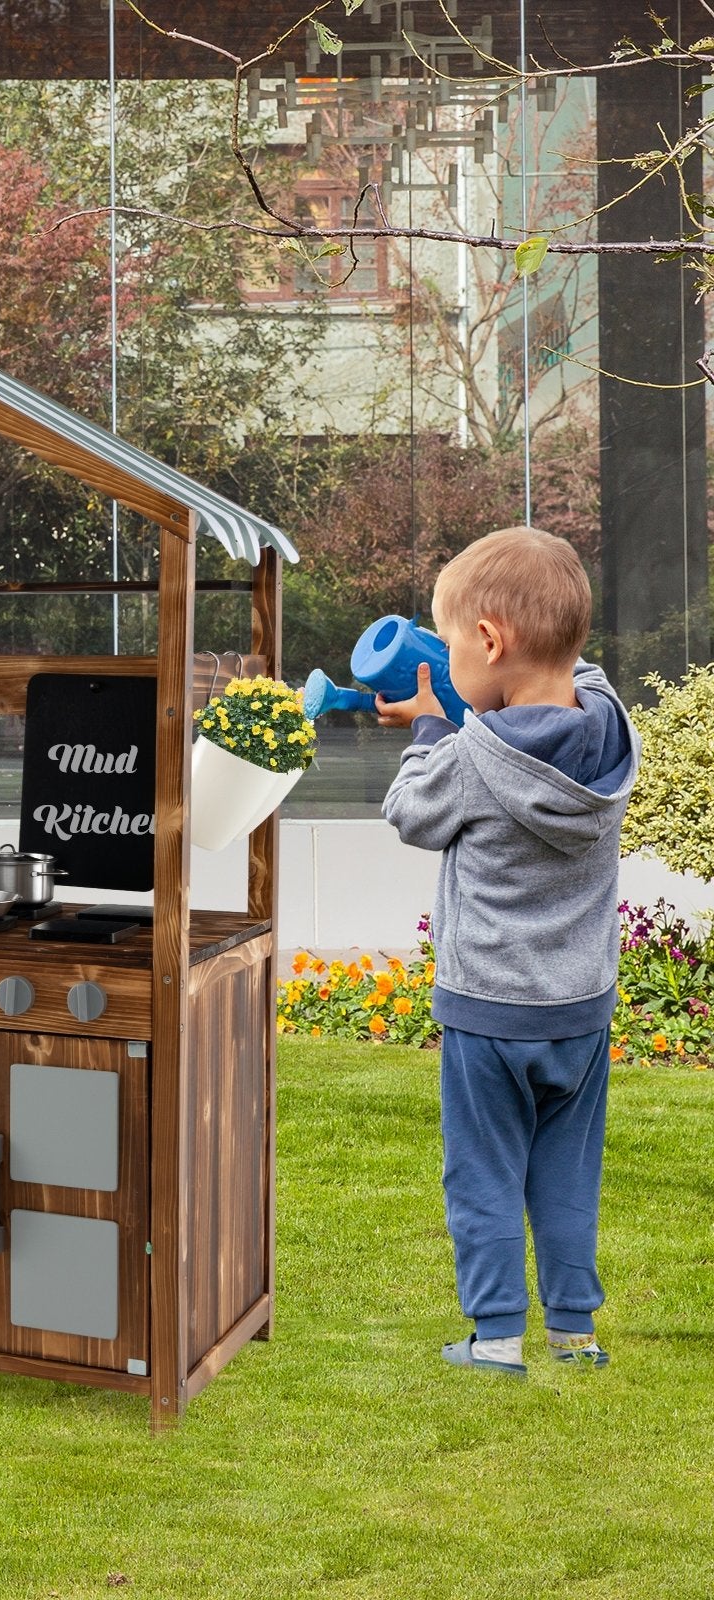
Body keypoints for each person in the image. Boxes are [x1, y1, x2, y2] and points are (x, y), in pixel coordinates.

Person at [375, 527, 639, 1377]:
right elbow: (551, 684)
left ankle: (493, 1338)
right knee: (566, 1170)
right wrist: (473, 696)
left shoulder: (467, 761)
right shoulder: (609, 726)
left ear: (489, 639)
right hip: (580, 1008)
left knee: (483, 1175)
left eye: (453, 642)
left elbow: (411, 811)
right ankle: (574, 1332)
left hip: (489, 1012)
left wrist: (426, 727)